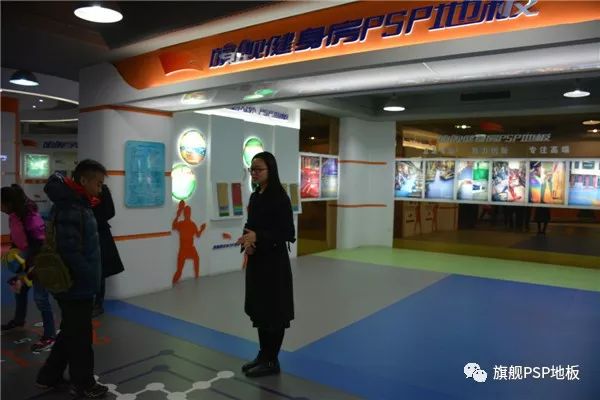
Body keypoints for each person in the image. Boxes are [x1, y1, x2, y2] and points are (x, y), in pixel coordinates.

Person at [36, 160, 108, 398]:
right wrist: (89, 277)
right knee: (80, 338)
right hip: (75, 285)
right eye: (98, 184)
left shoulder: (78, 204)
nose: (100, 189)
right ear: (84, 180)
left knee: (70, 331)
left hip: (75, 284)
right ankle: (84, 384)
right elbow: (70, 251)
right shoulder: (72, 208)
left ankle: (49, 376)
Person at [236, 152, 296, 378]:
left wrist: (258, 237)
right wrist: (248, 243)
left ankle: (272, 360)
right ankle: (263, 356)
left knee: (274, 312)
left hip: (274, 264)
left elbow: (287, 233)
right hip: (258, 262)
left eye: (259, 169)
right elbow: (250, 225)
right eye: (252, 169)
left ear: (271, 170)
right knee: (260, 310)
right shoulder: (255, 196)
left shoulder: (280, 198)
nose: (254, 173)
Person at [1, 185, 57, 352]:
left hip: (39, 261)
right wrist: (14, 254)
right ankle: (19, 320)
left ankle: (50, 335)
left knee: (41, 298)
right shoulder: (14, 215)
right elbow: (17, 238)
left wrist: (27, 265)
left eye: (1, 204)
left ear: (9, 203)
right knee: (20, 291)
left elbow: (40, 244)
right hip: (25, 260)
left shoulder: (30, 217)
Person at [92, 184, 124, 317]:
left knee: (100, 270)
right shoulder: (79, 191)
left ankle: (98, 303)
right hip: (88, 233)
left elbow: (110, 211)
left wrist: (93, 219)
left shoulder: (102, 189)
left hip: (99, 233)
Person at [171, 200, 206, 285]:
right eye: (186, 212)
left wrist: (202, 229)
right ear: (184, 214)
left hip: (190, 248)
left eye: (189, 212)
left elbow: (197, 235)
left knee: (197, 258)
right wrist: (177, 215)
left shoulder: (192, 224)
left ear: (190, 213)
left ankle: (197, 277)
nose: (187, 214)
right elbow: (173, 226)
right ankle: (173, 282)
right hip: (183, 249)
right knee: (179, 271)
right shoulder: (181, 224)